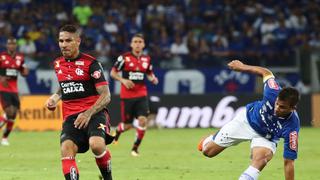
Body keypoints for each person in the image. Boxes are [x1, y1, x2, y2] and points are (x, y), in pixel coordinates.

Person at [198, 60, 300, 180]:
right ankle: (208, 140)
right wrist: (242, 67)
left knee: (259, 161)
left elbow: (289, 162)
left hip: (266, 137)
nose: (276, 108)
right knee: (208, 152)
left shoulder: (292, 127)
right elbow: (266, 72)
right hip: (246, 121)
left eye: (282, 107)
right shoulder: (272, 91)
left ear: (293, 108)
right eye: (277, 103)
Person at [45, 24, 113, 180]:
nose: (64, 44)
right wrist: (54, 98)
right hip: (71, 117)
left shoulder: (92, 64)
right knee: (66, 149)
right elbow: (65, 86)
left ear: (78, 41)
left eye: (68, 40)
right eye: (61, 41)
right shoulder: (58, 64)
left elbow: (106, 95)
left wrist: (88, 113)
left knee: (96, 145)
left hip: (94, 113)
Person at [110, 33, 158, 157]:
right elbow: (113, 73)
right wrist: (123, 80)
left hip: (141, 94)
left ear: (143, 45)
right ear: (131, 44)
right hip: (127, 96)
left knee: (143, 120)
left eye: (140, 42)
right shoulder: (124, 58)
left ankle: (135, 148)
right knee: (127, 125)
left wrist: (153, 78)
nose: (137, 44)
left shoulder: (147, 59)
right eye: (135, 42)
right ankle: (118, 131)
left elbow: (149, 72)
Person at [0, 37, 29, 146]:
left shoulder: (20, 58)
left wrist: (25, 71)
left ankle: (4, 138)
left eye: (13, 44)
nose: (11, 46)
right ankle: (4, 137)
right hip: (3, 88)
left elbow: (23, 70)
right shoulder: (2, 57)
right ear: (7, 45)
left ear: (15, 46)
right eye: (9, 44)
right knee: (9, 112)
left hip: (14, 90)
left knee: (13, 115)